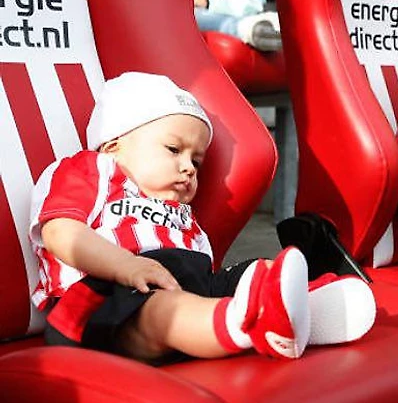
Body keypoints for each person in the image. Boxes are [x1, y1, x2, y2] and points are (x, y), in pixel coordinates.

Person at [30, 72, 375, 363]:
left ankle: (301, 304)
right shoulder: (92, 170)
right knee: (163, 310)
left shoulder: (178, 210)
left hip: (182, 283)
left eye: (196, 161)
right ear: (112, 145)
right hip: (103, 296)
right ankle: (248, 321)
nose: (189, 168)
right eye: (173, 149)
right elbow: (61, 233)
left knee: (253, 271)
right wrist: (126, 266)